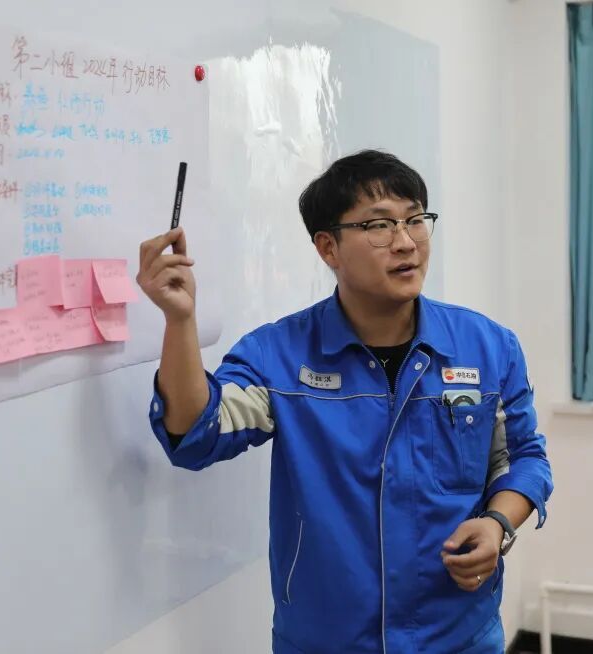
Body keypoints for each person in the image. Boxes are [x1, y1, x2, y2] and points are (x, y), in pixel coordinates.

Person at [136, 150, 553, 653]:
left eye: (415, 219)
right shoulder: (280, 354)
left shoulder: (487, 346)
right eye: (379, 225)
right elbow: (196, 433)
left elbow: (525, 458)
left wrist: (497, 523)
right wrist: (180, 320)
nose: (406, 242)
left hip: (457, 635)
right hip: (326, 640)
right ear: (328, 247)